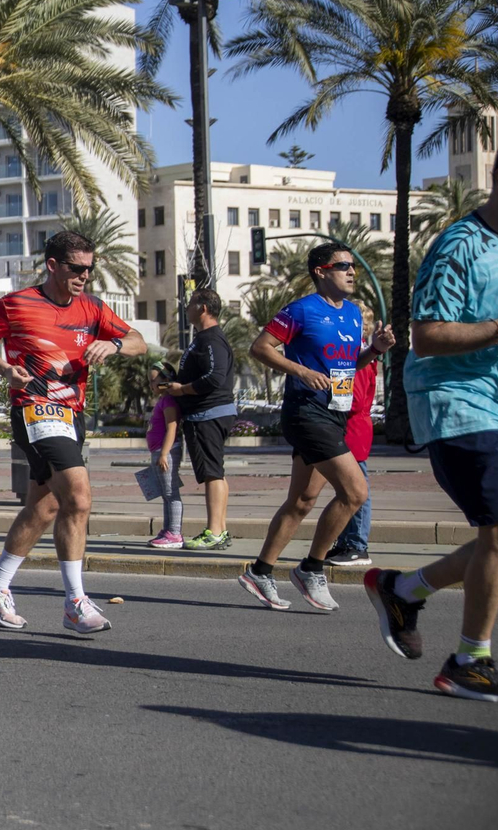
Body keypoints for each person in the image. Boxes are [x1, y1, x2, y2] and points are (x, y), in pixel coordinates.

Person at [365, 133, 498, 702]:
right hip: (457, 402)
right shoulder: (461, 245)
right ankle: (468, 661)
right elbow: (427, 337)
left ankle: (404, 590)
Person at [0, 230, 147, 634]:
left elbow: (137, 341)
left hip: (72, 415)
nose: (84, 275)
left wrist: (116, 346)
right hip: (35, 408)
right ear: (53, 265)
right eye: (76, 268)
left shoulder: (93, 308)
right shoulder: (17, 304)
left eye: (90, 268)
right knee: (79, 499)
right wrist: (3, 369)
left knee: (46, 506)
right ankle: (75, 602)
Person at [241, 243, 393, 611]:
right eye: (343, 266)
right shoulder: (301, 311)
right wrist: (302, 372)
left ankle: (260, 571)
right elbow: (260, 348)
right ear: (321, 272)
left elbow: (347, 367)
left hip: (335, 413)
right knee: (355, 491)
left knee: (302, 500)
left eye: (354, 266)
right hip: (305, 412)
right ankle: (312, 568)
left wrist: (374, 350)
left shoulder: (354, 314)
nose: (352, 272)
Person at [159, 288, 238, 551]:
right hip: (207, 414)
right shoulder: (203, 339)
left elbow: (215, 377)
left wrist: (182, 390)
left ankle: (214, 531)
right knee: (216, 472)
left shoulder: (211, 339)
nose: (187, 307)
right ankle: (221, 529)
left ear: (203, 307)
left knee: (212, 474)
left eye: (191, 303)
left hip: (208, 414)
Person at [326, 304, 380, 567]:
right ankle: (347, 541)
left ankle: (357, 544)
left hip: (353, 429)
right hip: (350, 428)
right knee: (347, 488)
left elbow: (354, 400)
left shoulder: (356, 354)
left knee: (358, 488)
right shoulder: (354, 351)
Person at [144, 362, 186, 548]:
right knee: (165, 493)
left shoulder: (169, 401)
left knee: (170, 492)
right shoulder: (162, 400)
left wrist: (164, 453)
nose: (151, 385)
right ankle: (168, 529)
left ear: (166, 381)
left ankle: (175, 532)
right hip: (159, 451)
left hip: (166, 451)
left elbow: (172, 427)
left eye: (153, 381)